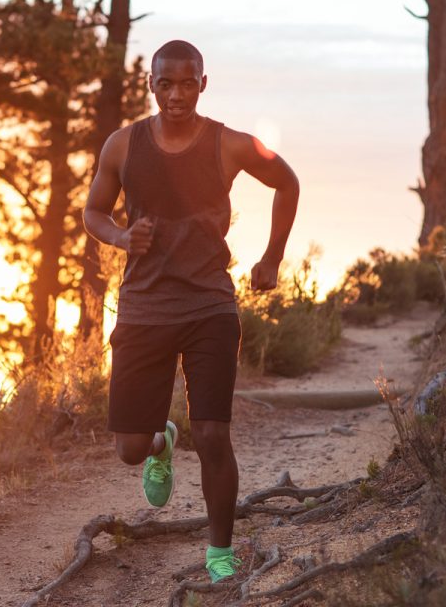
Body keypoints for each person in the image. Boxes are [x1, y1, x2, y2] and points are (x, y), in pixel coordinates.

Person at [82, 39, 299, 583]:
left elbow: (287, 181)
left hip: (209, 306)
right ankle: (161, 441)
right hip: (143, 309)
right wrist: (121, 237)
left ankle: (219, 552)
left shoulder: (228, 144)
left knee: (213, 435)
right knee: (131, 448)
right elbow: (93, 212)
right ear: (151, 85)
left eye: (186, 83)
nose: (176, 94)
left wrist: (272, 257)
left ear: (203, 84)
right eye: (165, 83)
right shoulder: (122, 146)